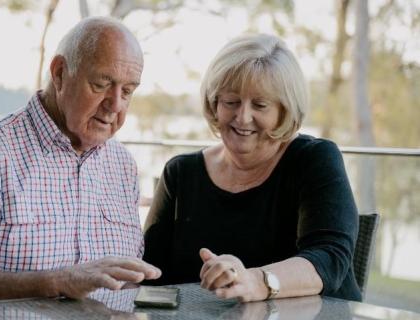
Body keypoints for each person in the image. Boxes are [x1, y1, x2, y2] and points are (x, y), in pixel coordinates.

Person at [0, 17, 161, 306]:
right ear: (59, 74)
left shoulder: (122, 166)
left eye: (128, 91)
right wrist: (55, 282)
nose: (116, 105)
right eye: (101, 84)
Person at [143, 34, 361, 302]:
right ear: (214, 104)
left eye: (260, 105)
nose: (243, 117)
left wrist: (258, 281)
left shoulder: (314, 158)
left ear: (285, 110)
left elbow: (330, 258)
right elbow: (151, 275)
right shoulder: (180, 173)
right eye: (231, 102)